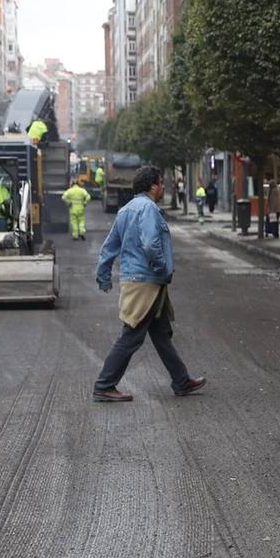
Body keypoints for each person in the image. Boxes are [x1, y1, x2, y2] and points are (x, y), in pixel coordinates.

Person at [91, 164, 205, 403]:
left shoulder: (125, 210)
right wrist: (162, 269)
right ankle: (104, 385)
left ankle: (181, 380)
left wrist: (103, 276)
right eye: (162, 183)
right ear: (153, 186)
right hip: (147, 282)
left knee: (161, 334)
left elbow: (108, 248)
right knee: (131, 335)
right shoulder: (149, 209)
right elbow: (151, 244)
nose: (163, 187)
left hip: (138, 280)